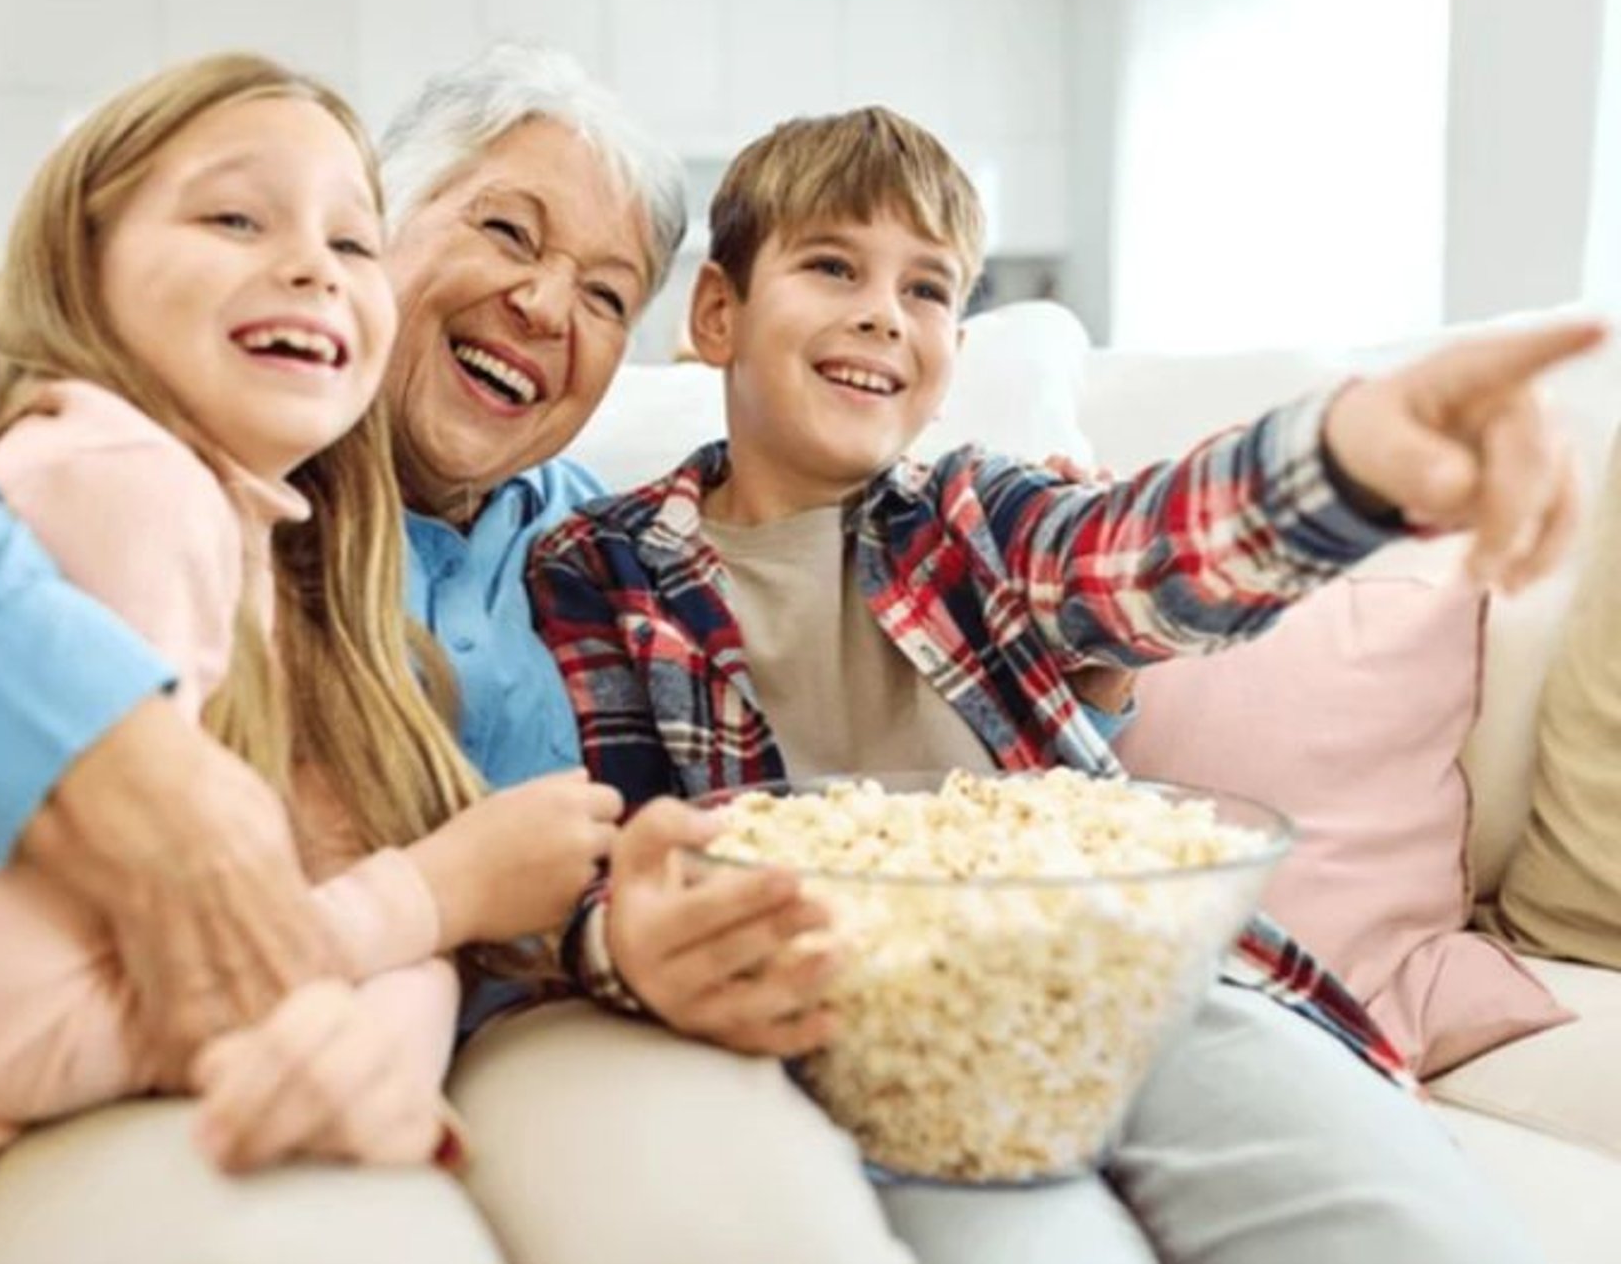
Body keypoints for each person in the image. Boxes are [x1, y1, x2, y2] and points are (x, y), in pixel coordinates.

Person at [0, 47, 933, 1264]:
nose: (547, 306)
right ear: (388, 228)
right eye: (506, 231)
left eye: (607, 297)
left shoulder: (605, 551)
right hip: (130, 1036)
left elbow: (565, 855)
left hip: (457, 1010)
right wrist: (100, 748)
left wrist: (608, 936)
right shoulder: (120, 433)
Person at [525, 106, 1598, 1262]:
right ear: (717, 313)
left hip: (1142, 977)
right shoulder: (600, 569)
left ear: (951, 358)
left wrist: (1347, 460)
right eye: (832, 265)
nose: (884, 311)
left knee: (1406, 1222)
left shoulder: (972, 514)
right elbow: (609, 847)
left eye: (927, 288)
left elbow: (1141, 555)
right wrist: (623, 938)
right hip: (874, 1036)